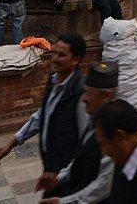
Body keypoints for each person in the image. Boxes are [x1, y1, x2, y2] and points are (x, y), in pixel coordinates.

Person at [0, 33, 88, 177]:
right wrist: (10, 144)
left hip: (68, 176)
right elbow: (42, 116)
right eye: (54, 52)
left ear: (75, 59)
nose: (55, 58)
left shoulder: (81, 94)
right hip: (51, 170)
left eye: (61, 55)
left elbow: (86, 143)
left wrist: (61, 177)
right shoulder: (54, 80)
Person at [36, 61, 119, 204]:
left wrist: (65, 201)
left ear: (106, 95)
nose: (84, 98)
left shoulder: (113, 132)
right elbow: (79, 156)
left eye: (89, 94)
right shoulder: (94, 119)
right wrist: (60, 178)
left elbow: (102, 187)